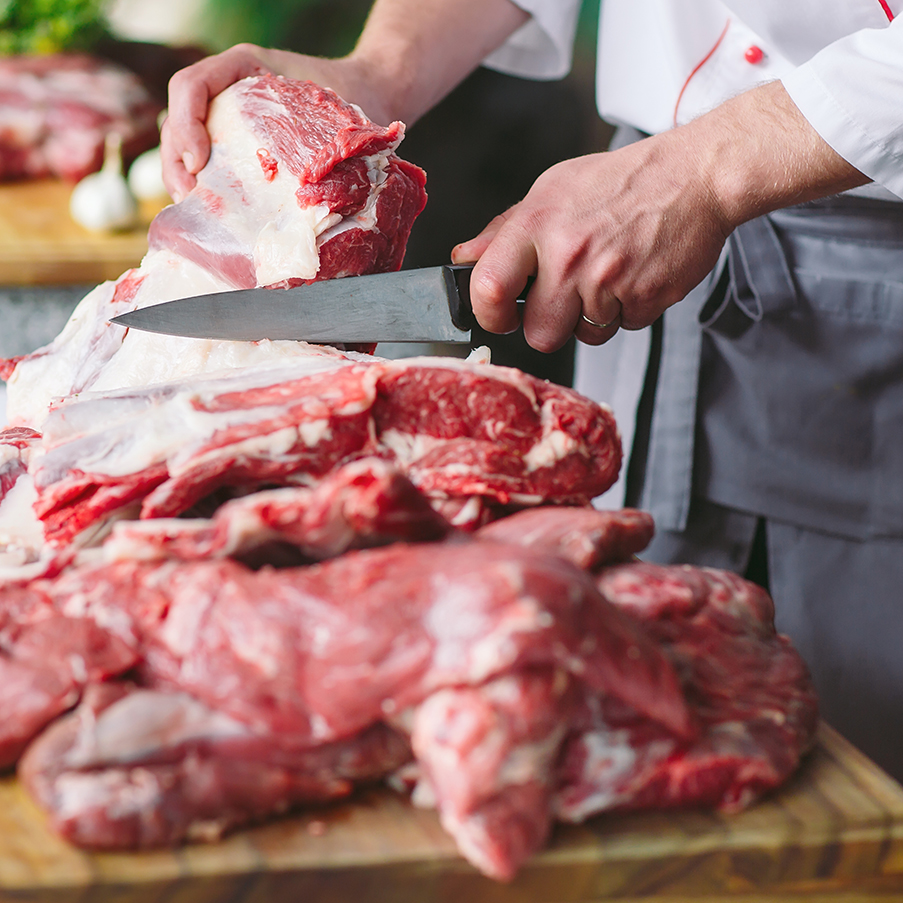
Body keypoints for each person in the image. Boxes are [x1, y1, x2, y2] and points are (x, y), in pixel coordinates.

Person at [161, 1, 903, 783]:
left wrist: (704, 171)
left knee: (857, 756)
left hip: (862, 281)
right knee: (627, 699)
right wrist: (377, 71)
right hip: (630, 228)